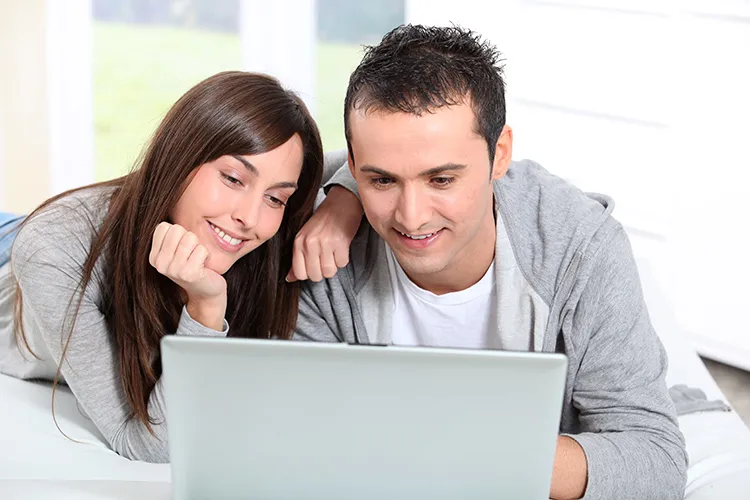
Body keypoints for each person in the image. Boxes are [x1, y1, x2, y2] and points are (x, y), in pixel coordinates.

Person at [292, 25, 688, 500]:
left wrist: (468, 449)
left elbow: (654, 459)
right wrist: (342, 195)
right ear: (354, 166)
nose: (411, 216)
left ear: (499, 154)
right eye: (382, 181)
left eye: (441, 180)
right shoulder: (322, 251)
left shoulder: (582, 248)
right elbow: (307, 441)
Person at [0, 71, 340, 463]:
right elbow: (147, 445)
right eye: (232, 179)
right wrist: (206, 309)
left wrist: (343, 203)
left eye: (276, 199)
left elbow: (373, 163)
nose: (249, 217)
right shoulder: (55, 249)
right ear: (180, 157)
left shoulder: (268, 220)